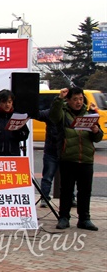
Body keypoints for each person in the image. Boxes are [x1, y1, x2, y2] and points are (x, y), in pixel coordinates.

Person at [51, 87, 103, 231]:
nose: (78, 102)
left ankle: (84, 219)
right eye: (75, 99)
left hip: (86, 159)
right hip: (68, 158)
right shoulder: (63, 113)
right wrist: (59, 99)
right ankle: (64, 217)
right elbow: (53, 116)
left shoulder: (89, 113)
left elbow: (98, 138)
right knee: (66, 190)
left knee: (85, 190)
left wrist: (96, 131)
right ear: (69, 100)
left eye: (80, 99)